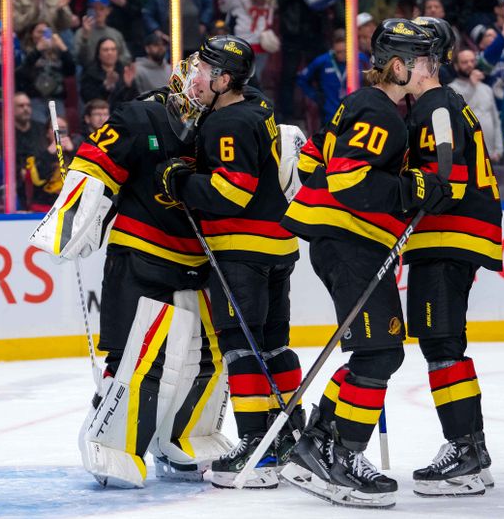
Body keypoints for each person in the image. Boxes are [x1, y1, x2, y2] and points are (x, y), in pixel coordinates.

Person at [31, 54, 231, 488]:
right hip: (141, 257)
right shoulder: (140, 115)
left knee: (203, 359)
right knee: (140, 358)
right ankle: (112, 444)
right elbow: (94, 166)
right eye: (198, 78)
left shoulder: (220, 123)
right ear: (181, 78)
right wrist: (74, 224)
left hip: (197, 263)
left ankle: (186, 440)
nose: (202, 88)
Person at [279, 19, 451, 507]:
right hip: (349, 243)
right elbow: (347, 180)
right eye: (423, 60)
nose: (430, 68)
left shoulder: (357, 104)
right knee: (380, 354)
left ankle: (317, 442)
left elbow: (313, 160)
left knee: (374, 352)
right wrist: (411, 189)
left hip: (343, 243)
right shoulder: (381, 111)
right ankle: (342, 459)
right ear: (398, 66)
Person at [155, 35, 302, 490]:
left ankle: (257, 448)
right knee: (274, 346)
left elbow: (232, 192)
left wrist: (182, 183)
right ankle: (287, 437)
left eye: (205, 70)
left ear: (224, 80)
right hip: (277, 247)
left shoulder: (228, 125)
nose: (196, 77)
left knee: (242, 347)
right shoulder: (257, 108)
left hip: (242, 251)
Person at [402, 16, 501, 498]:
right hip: (456, 237)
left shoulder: (435, 105)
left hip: (447, 236)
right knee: (445, 345)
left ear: (423, 61)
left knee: (441, 346)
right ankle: (472, 450)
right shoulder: (448, 104)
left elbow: (448, 181)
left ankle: (463, 451)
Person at [296, 29, 369, 127]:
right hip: (330, 115)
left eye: (345, 51)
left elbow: (373, 79)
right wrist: (315, 96)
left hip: (355, 113)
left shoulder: (361, 59)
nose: (342, 55)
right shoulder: (322, 61)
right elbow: (301, 79)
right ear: (333, 49)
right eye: (338, 52)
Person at [448, 48, 504, 164]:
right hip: (467, 155)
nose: (469, 65)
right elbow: (458, 112)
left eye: (472, 61)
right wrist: (471, 86)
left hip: (490, 153)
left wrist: (499, 149)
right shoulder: (451, 89)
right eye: (464, 62)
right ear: (456, 66)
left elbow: (495, 120)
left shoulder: (486, 89)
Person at [16, 21, 75, 124]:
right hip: (35, 98)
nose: (43, 35)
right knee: (39, 128)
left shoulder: (58, 54)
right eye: (39, 32)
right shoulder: (26, 52)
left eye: (46, 32)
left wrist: (62, 47)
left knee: (57, 130)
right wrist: (38, 50)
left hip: (56, 98)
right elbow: (21, 73)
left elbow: (71, 70)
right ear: (32, 34)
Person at [218, 0, 277, 82]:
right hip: (263, 43)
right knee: (255, 81)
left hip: (242, 44)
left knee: (240, 83)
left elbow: (223, 7)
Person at [22, 117, 70, 211]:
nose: (59, 133)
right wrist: (48, 154)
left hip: (68, 206)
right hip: (44, 207)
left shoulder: (75, 151)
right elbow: (36, 181)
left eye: (63, 129)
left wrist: (73, 152)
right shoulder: (37, 153)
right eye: (56, 129)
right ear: (47, 132)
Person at [74, 0, 131, 68]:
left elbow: (126, 58)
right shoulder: (81, 32)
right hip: (90, 73)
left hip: (113, 71)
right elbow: (80, 59)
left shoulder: (116, 34)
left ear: (108, 11)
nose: (97, 12)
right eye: (94, 9)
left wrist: (110, 61)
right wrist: (85, 37)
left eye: (101, 9)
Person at [79, 37, 138, 108]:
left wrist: (129, 87)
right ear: (98, 54)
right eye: (105, 50)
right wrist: (105, 87)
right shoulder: (89, 73)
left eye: (113, 49)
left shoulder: (124, 71)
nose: (110, 53)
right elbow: (88, 98)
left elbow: (132, 100)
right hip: (99, 113)